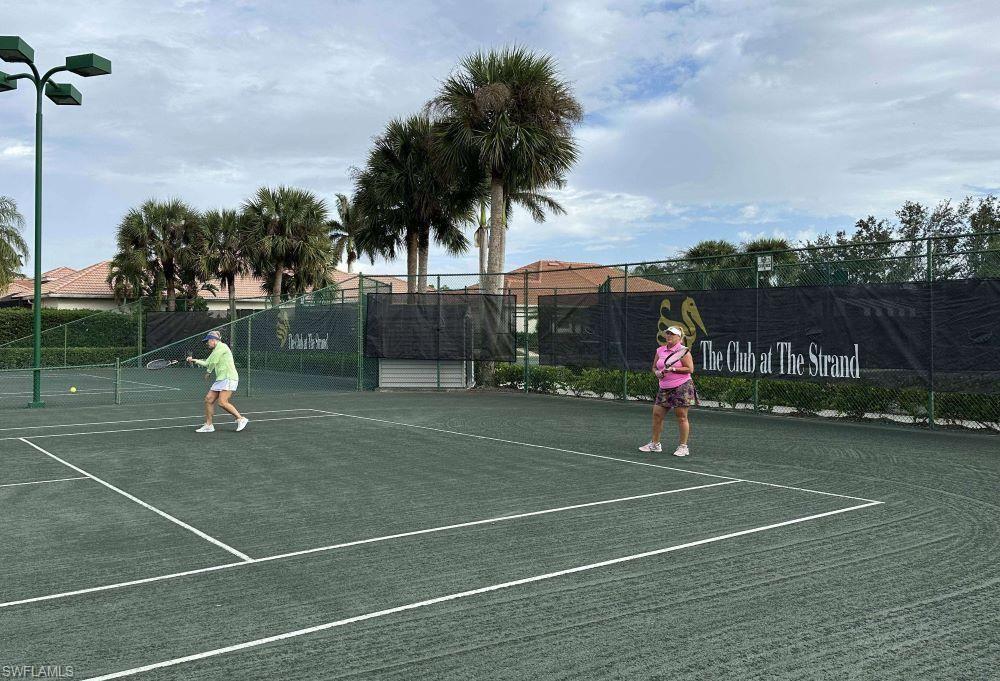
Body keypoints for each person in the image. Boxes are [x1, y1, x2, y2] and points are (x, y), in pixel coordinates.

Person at [639, 325, 696, 456]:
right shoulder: (660, 350)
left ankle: (683, 447)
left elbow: (690, 369)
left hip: (681, 386)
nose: (669, 336)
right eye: (668, 333)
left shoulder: (683, 351)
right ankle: (655, 444)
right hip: (664, 387)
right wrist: (657, 373)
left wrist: (673, 369)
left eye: (672, 334)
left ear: (679, 337)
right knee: (657, 415)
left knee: (681, 417)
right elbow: (654, 367)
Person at [186, 330, 248, 433]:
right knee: (209, 399)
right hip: (221, 379)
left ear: (213, 340)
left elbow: (212, 363)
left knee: (222, 402)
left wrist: (208, 372)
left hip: (229, 377)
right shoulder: (215, 351)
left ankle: (240, 419)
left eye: (208, 341)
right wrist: (194, 360)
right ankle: (209, 425)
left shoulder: (222, 347)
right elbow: (207, 363)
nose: (207, 343)